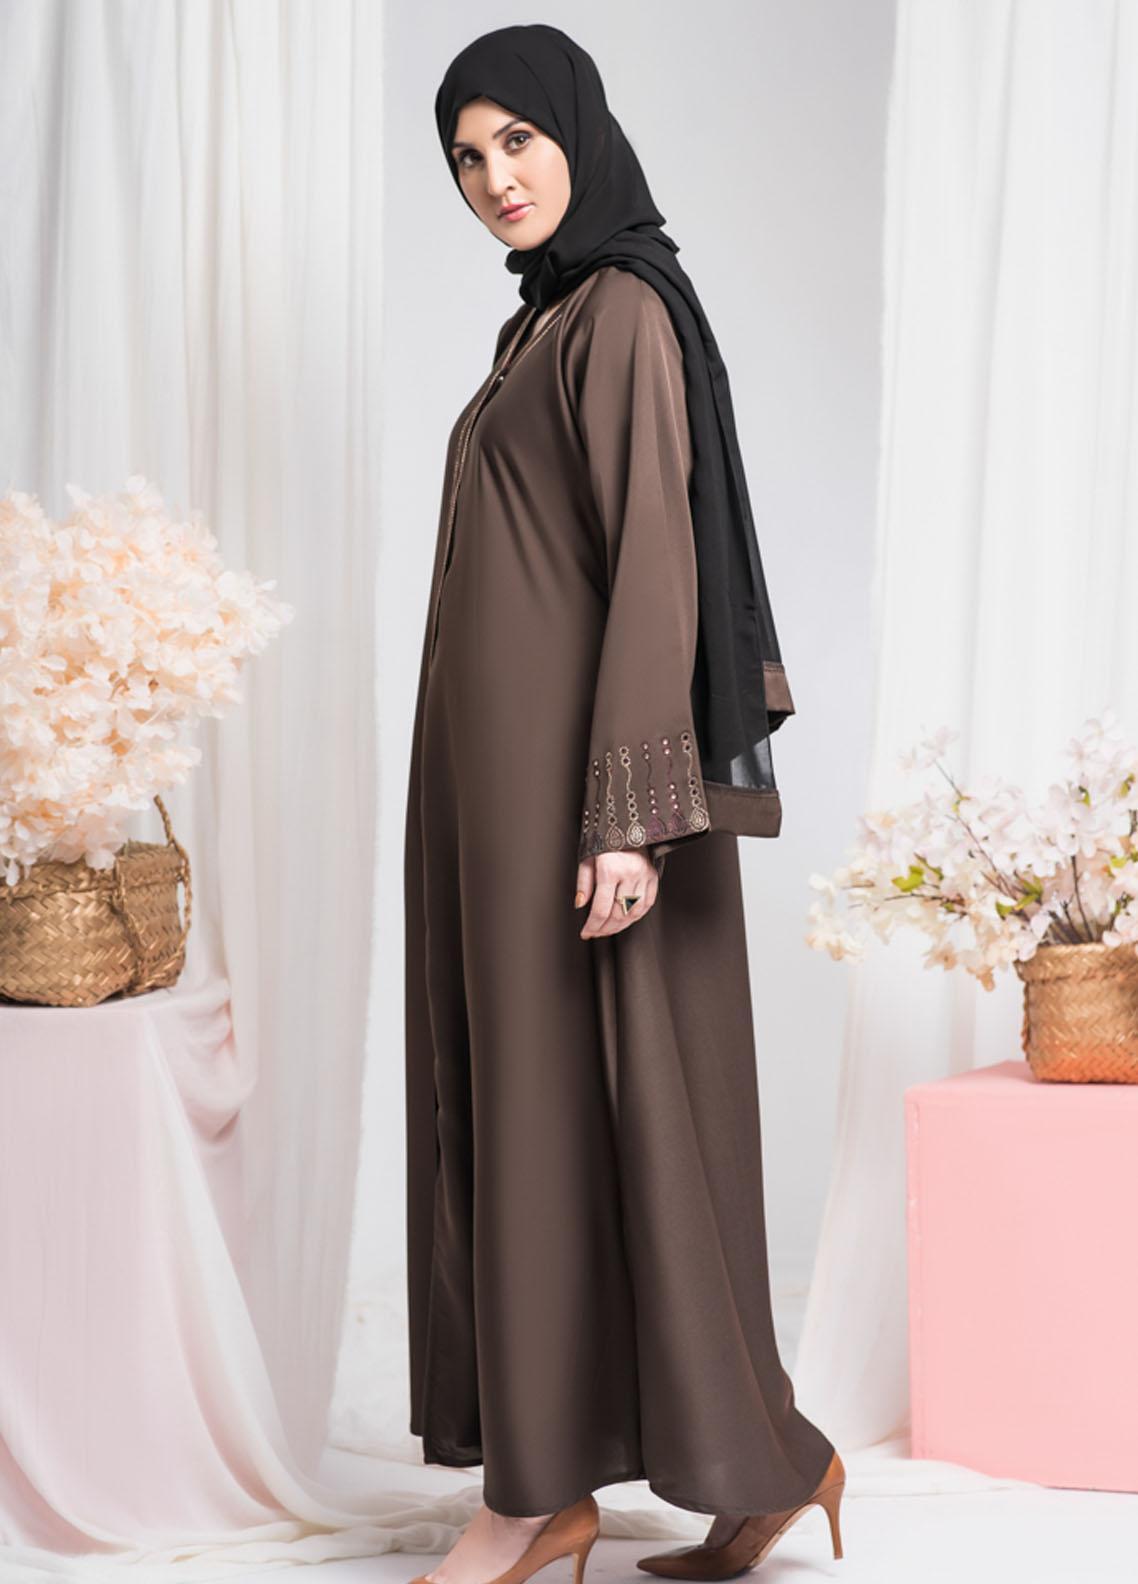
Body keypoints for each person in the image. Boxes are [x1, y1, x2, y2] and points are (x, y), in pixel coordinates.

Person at [403, 24, 844, 1584]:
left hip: (592, 812)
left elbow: (656, 569)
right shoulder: (540, 324)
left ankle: (539, 1500)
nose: (493, 178)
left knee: (604, 1120)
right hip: (503, 802)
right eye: (467, 157)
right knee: (552, 1125)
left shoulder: (623, 315)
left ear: (579, 135)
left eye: (517, 140)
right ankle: (717, 1469)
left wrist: (626, 818)